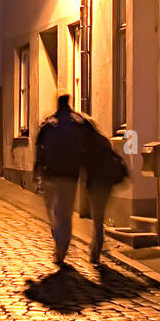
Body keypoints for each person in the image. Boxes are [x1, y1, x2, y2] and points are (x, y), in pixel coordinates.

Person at [33, 94, 86, 268]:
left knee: (54, 213)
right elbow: (84, 149)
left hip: (51, 175)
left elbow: (39, 147)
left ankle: (59, 245)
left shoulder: (49, 123)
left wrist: (37, 170)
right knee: (67, 214)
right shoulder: (77, 123)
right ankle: (62, 250)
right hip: (71, 176)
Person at [83, 119, 128, 269]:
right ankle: (96, 249)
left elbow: (86, 166)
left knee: (97, 219)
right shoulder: (102, 140)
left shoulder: (87, 145)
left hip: (96, 184)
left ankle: (95, 253)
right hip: (107, 184)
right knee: (99, 217)